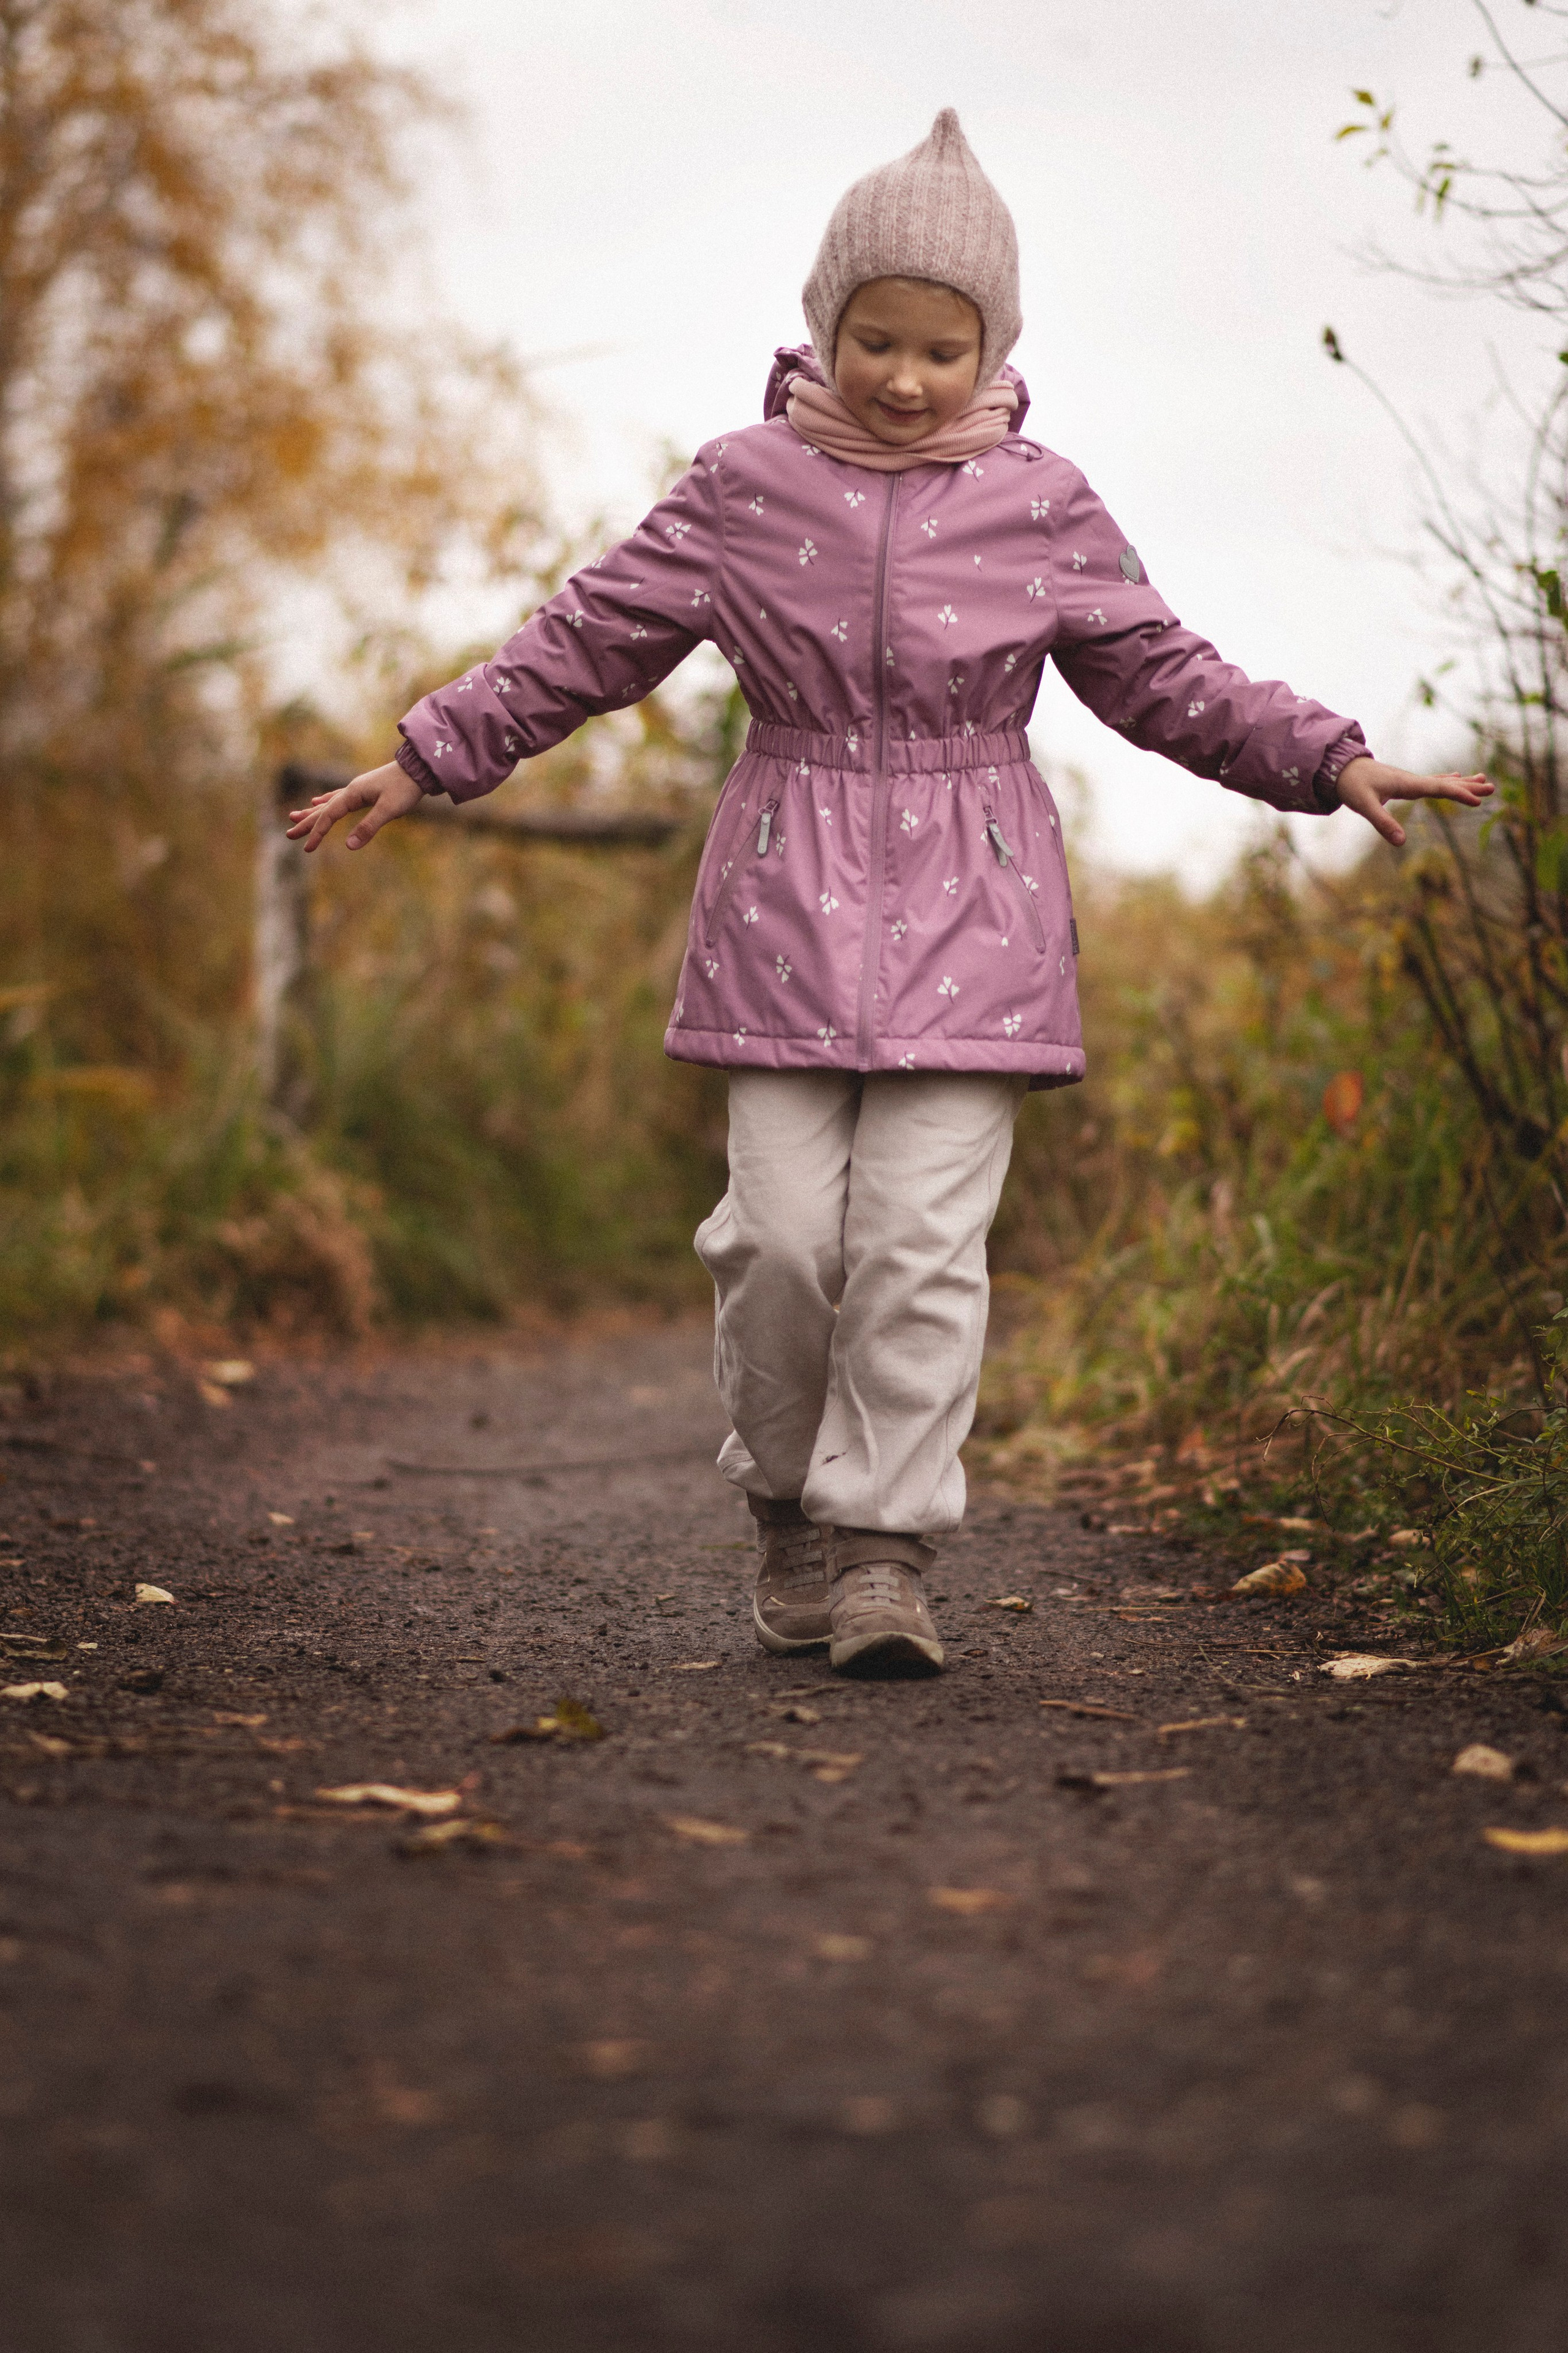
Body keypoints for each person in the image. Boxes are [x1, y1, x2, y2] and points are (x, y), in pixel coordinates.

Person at [288, 110, 1491, 1680]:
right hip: (780, 912)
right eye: (874, 339)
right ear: (821, 325)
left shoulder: (1040, 502)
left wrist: (1328, 761)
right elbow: (581, 640)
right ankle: (787, 1502)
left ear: (991, 344)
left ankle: (882, 1552)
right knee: (782, 1244)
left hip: (976, 925)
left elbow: (1163, 676)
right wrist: (430, 756)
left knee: (921, 1247)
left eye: (940, 346)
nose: (905, 377)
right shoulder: (740, 488)